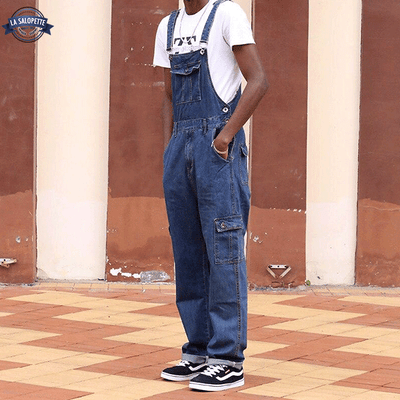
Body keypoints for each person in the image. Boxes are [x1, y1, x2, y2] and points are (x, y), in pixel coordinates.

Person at [153, 0, 268, 392]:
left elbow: (258, 81)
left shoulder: (227, 14)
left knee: (223, 250)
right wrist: (170, 148)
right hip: (181, 146)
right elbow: (169, 96)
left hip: (218, 145)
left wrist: (224, 138)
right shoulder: (167, 27)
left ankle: (227, 359)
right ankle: (199, 350)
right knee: (187, 252)